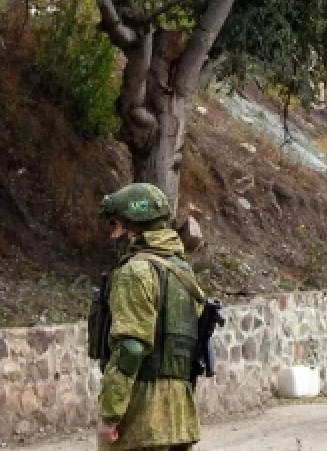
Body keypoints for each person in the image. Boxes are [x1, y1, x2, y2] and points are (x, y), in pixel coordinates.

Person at [97, 183, 205, 451]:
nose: (113, 234)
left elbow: (131, 348)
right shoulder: (183, 272)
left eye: (116, 225)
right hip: (180, 417)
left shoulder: (136, 272)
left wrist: (110, 415)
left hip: (141, 420)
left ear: (130, 227)